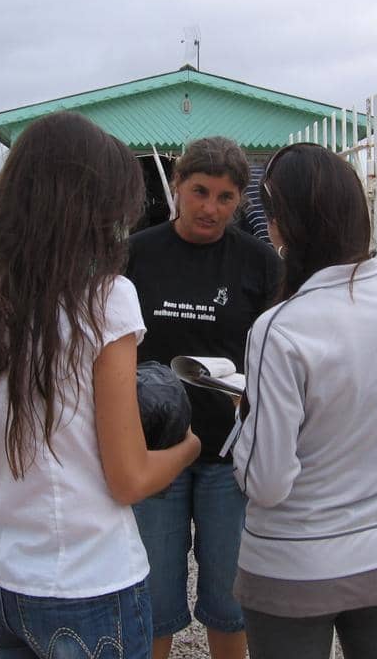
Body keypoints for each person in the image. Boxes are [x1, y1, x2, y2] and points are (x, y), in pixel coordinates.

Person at [0, 111, 201, 659]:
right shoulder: (104, 301)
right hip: (87, 582)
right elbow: (129, 478)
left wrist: (9, 466)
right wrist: (188, 448)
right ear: (88, 210)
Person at [231, 143, 377, 659]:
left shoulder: (278, 328)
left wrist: (242, 419)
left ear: (282, 220)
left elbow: (266, 480)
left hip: (292, 562)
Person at [126, 136, 280, 659]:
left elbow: (278, 352)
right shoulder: (135, 253)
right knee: (149, 597)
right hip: (152, 454)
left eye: (224, 198)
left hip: (230, 456)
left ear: (241, 201)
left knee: (231, 601)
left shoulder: (260, 263)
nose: (210, 208)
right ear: (176, 187)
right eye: (199, 192)